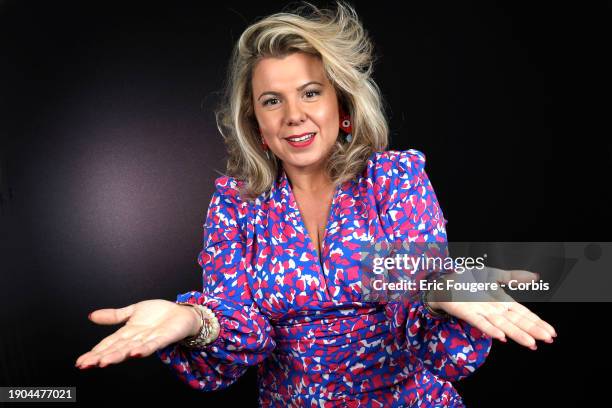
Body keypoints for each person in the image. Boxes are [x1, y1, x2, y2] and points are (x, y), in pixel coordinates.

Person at [75, 2, 557, 406]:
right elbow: (245, 328)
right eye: (271, 101)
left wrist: (438, 289)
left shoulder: (394, 178)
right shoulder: (236, 203)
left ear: (342, 107)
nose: (294, 116)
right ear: (256, 122)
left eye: (310, 93)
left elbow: (418, 300)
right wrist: (192, 320)